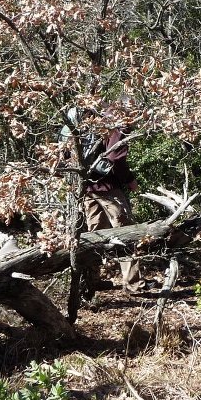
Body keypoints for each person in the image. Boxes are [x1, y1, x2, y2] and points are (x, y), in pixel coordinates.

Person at [81, 124, 152, 295]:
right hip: (108, 188)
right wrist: (130, 180)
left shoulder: (89, 120)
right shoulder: (118, 126)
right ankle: (133, 284)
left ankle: (91, 281)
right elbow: (115, 158)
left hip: (86, 187)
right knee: (126, 232)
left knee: (95, 234)